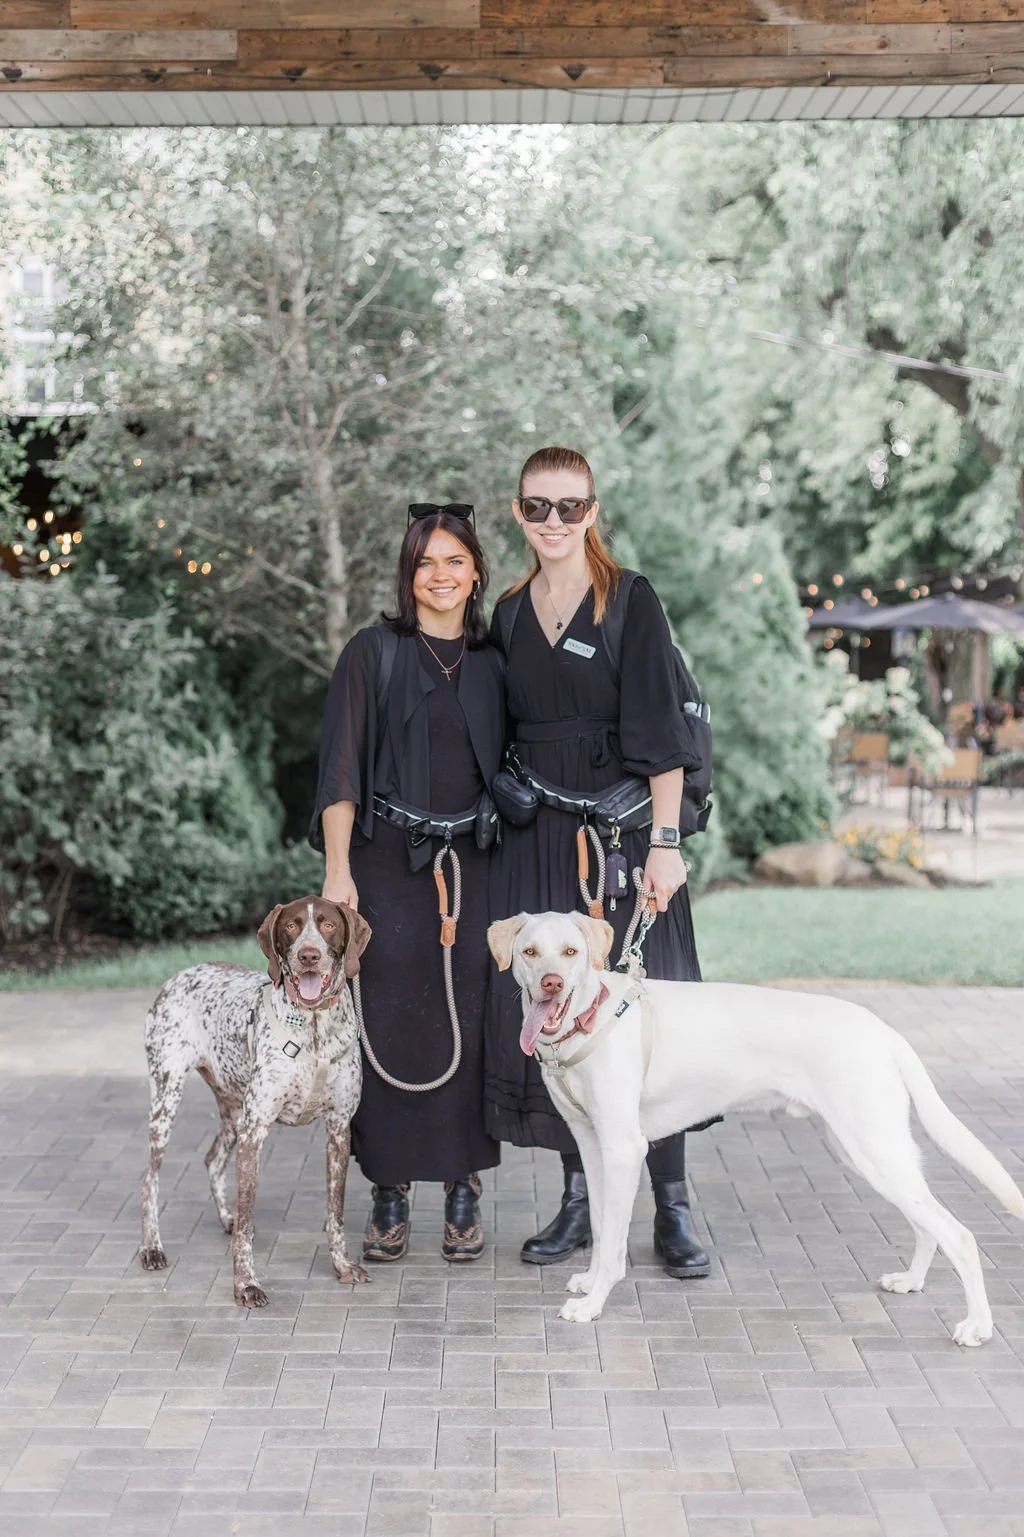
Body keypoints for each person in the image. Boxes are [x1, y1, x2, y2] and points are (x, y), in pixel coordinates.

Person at [484, 446, 713, 1279]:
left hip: (623, 839)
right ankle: (579, 1198)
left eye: (569, 506)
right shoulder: (507, 612)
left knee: (646, 1024)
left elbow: (665, 734)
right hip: (540, 837)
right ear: (517, 512)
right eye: (537, 507)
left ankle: (675, 1204)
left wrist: (664, 844)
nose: (554, 522)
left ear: (593, 510)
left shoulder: (630, 600)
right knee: (563, 1023)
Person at [310, 505, 504, 1262]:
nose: (441, 574)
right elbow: (340, 768)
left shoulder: (495, 661)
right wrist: (337, 871)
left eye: (455, 560)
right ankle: (388, 1190)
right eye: (427, 561)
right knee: (387, 1020)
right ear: (408, 574)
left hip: (476, 869)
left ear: (476, 572)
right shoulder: (373, 652)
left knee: (472, 1016)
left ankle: (463, 1186)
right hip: (386, 863)